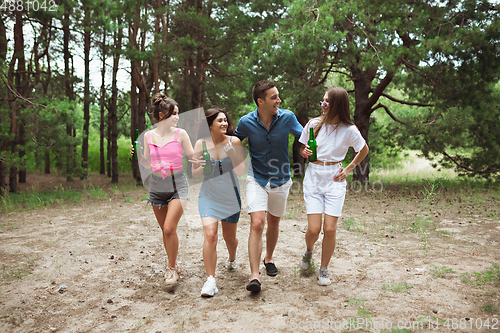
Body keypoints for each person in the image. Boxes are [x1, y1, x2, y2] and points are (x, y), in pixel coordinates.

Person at [235, 80, 303, 293]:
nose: (279, 100)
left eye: (278, 96)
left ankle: (269, 258)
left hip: (282, 179)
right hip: (257, 179)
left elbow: (306, 136)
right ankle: (254, 275)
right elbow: (235, 140)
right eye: (274, 97)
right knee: (257, 223)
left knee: (273, 222)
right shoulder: (246, 122)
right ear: (260, 101)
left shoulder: (288, 118)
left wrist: (308, 150)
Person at [299, 87, 369, 285]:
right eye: (322, 101)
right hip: (313, 177)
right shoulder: (313, 124)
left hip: (335, 179)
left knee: (329, 229)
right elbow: (304, 147)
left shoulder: (349, 130)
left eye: (327, 102)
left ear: (338, 105)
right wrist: (305, 152)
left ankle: (323, 269)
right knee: (314, 229)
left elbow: (363, 149)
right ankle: (309, 251)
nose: (323, 104)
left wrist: (348, 168)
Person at [131, 93, 199, 286]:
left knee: (169, 227)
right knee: (166, 231)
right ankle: (174, 263)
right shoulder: (148, 136)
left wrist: (203, 159)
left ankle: (170, 269)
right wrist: (138, 156)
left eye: (177, 113)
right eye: (174, 114)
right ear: (162, 116)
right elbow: (146, 163)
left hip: (178, 184)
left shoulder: (181, 134)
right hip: (157, 186)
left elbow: (192, 156)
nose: (177, 117)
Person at [191, 108, 246, 297]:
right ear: (210, 125)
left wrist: (232, 155)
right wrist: (200, 167)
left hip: (230, 195)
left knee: (229, 238)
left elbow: (240, 172)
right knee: (211, 235)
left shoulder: (234, 141)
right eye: (219, 121)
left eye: (225, 120)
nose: (224, 124)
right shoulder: (200, 144)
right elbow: (195, 174)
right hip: (209, 195)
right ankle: (210, 280)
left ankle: (232, 257)